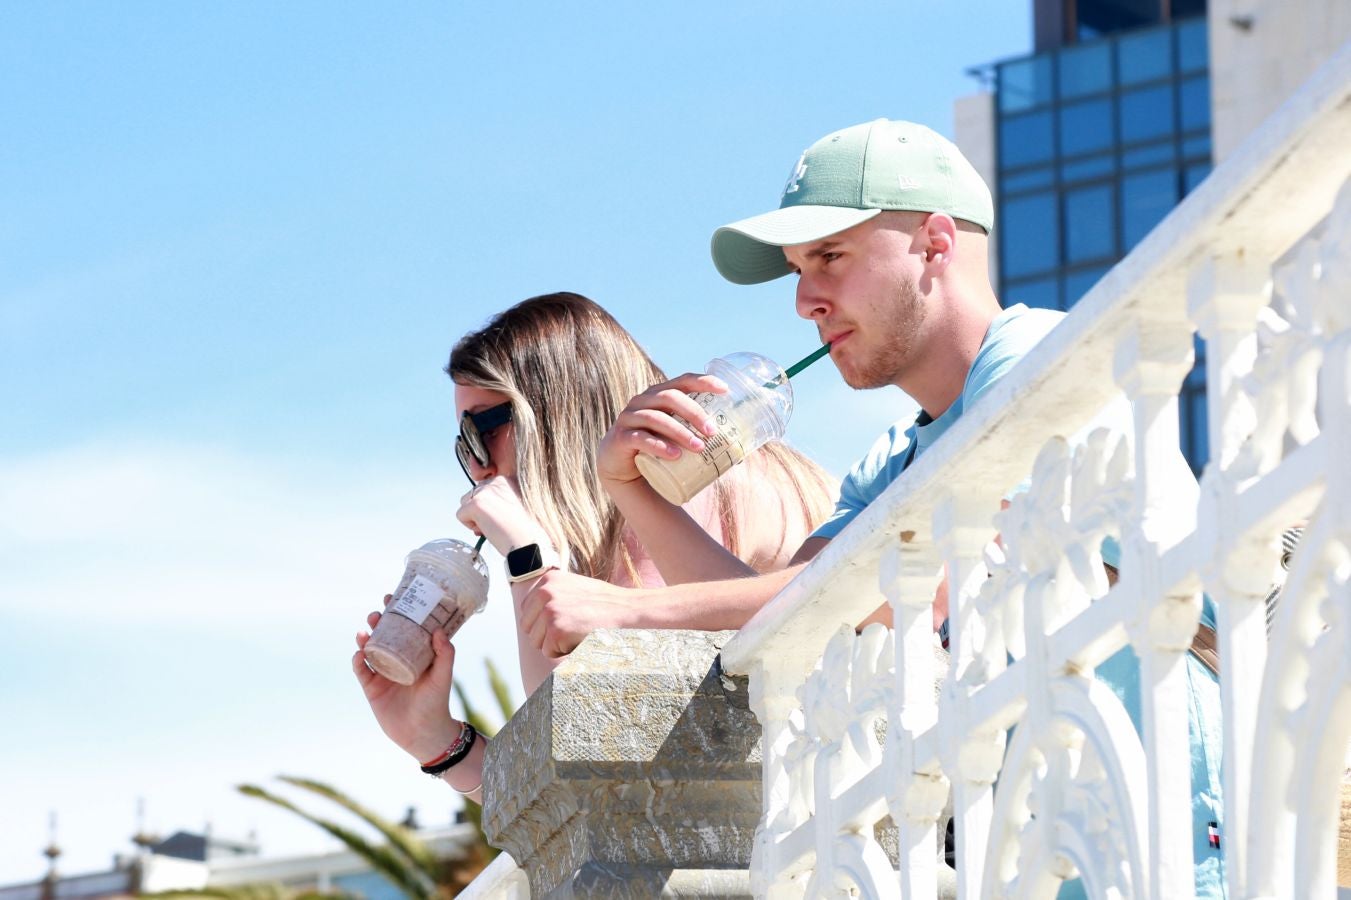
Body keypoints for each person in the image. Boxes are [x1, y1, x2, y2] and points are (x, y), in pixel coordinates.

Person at [520, 119, 1224, 896]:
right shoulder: (890, 462)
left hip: (1163, 841)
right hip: (1036, 851)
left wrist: (628, 611)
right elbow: (793, 615)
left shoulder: (1037, 361)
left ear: (934, 242)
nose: (803, 302)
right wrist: (632, 492)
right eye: (795, 269)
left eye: (828, 257)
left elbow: (915, 586)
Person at [352, 291, 837, 800]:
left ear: (555, 413)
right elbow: (574, 790)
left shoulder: (681, 478)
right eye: (462, 446)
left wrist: (526, 556)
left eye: (478, 432)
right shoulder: (622, 522)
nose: (476, 466)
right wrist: (434, 741)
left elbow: (578, 741)